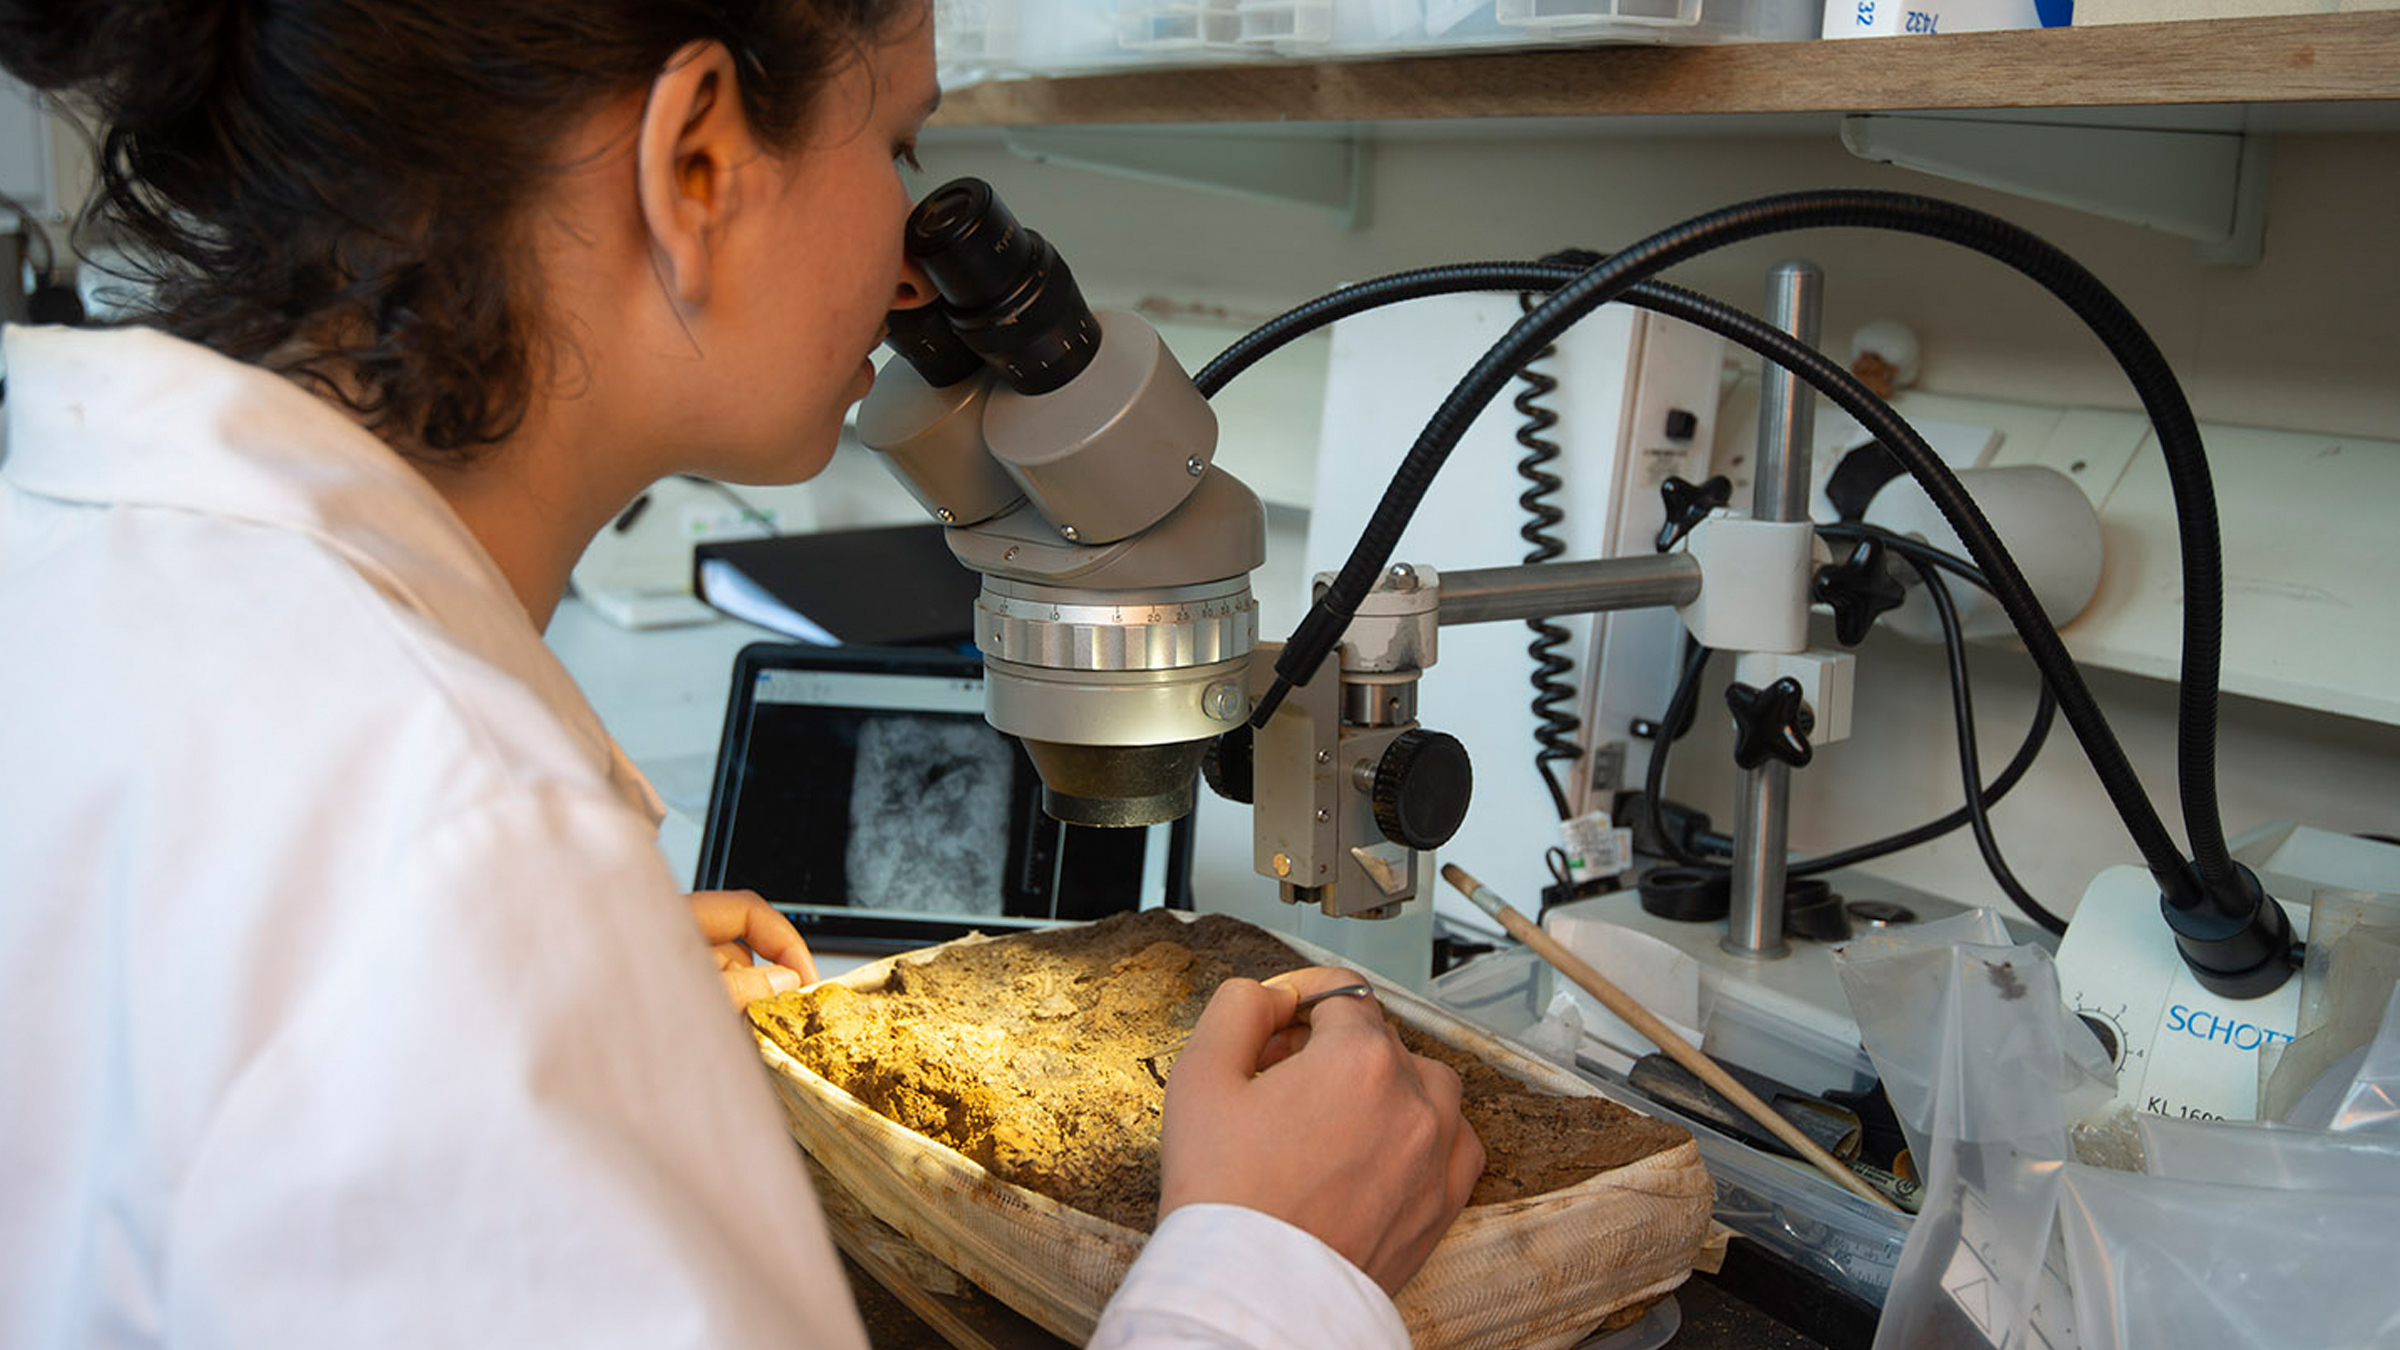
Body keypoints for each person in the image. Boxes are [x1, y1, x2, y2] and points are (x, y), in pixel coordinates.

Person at [0, 2, 1484, 1347]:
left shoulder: (94, 565)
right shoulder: (449, 866)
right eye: (898, 141)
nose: (915, 251)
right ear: (699, 161)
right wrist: (1268, 1272)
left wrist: (585, 991)